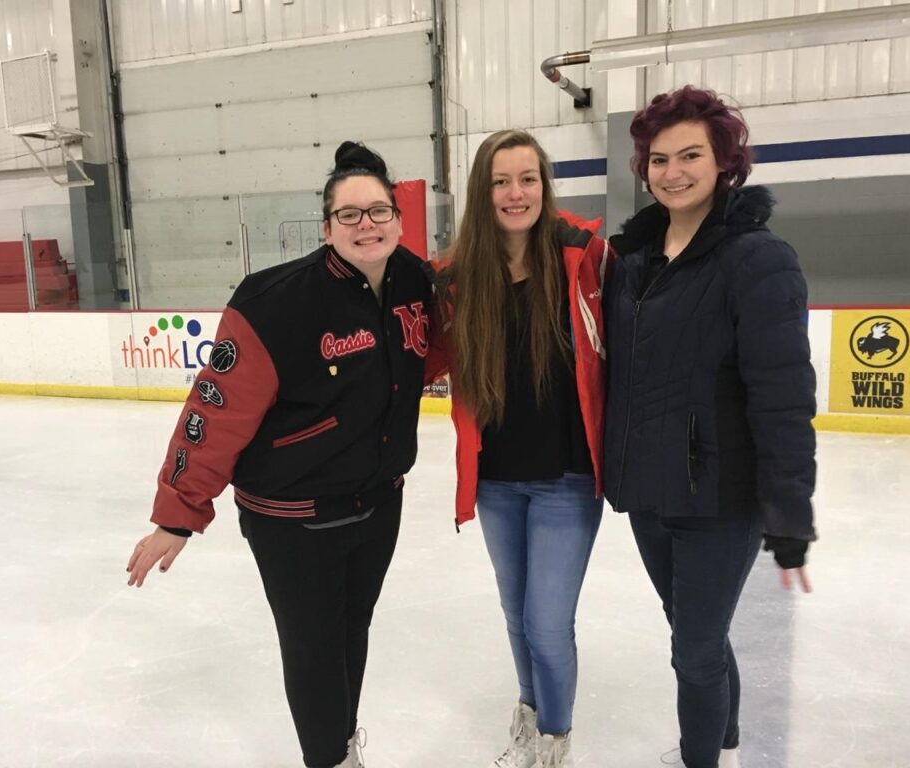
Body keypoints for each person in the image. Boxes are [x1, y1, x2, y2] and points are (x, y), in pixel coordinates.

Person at [126, 141, 436, 768]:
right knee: (315, 649)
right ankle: (330, 758)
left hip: (377, 504)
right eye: (349, 215)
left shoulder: (416, 282)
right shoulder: (276, 301)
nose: (365, 225)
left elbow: (438, 352)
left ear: (399, 219)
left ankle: (341, 745)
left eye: (378, 211)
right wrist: (177, 512)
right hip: (292, 518)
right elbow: (215, 412)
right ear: (326, 229)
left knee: (353, 633)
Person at [603, 86, 817, 768]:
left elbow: (782, 400)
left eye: (690, 154)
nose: (673, 172)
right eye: (659, 159)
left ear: (726, 159)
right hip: (650, 492)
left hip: (720, 499)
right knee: (695, 631)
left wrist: (788, 518)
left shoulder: (757, 259)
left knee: (692, 650)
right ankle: (724, 734)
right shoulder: (631, 261)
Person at [433, 129, 612, 768]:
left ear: (544, 185)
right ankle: (531, 714)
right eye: (500, 181)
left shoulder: (584, 256)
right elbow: (417, 357)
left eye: (527, 179)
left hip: (566, 478)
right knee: (517, 615)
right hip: (497, 481)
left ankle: (555, 741)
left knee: (547, 622)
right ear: (483, 192)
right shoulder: (455, 278)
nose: (515, 193)